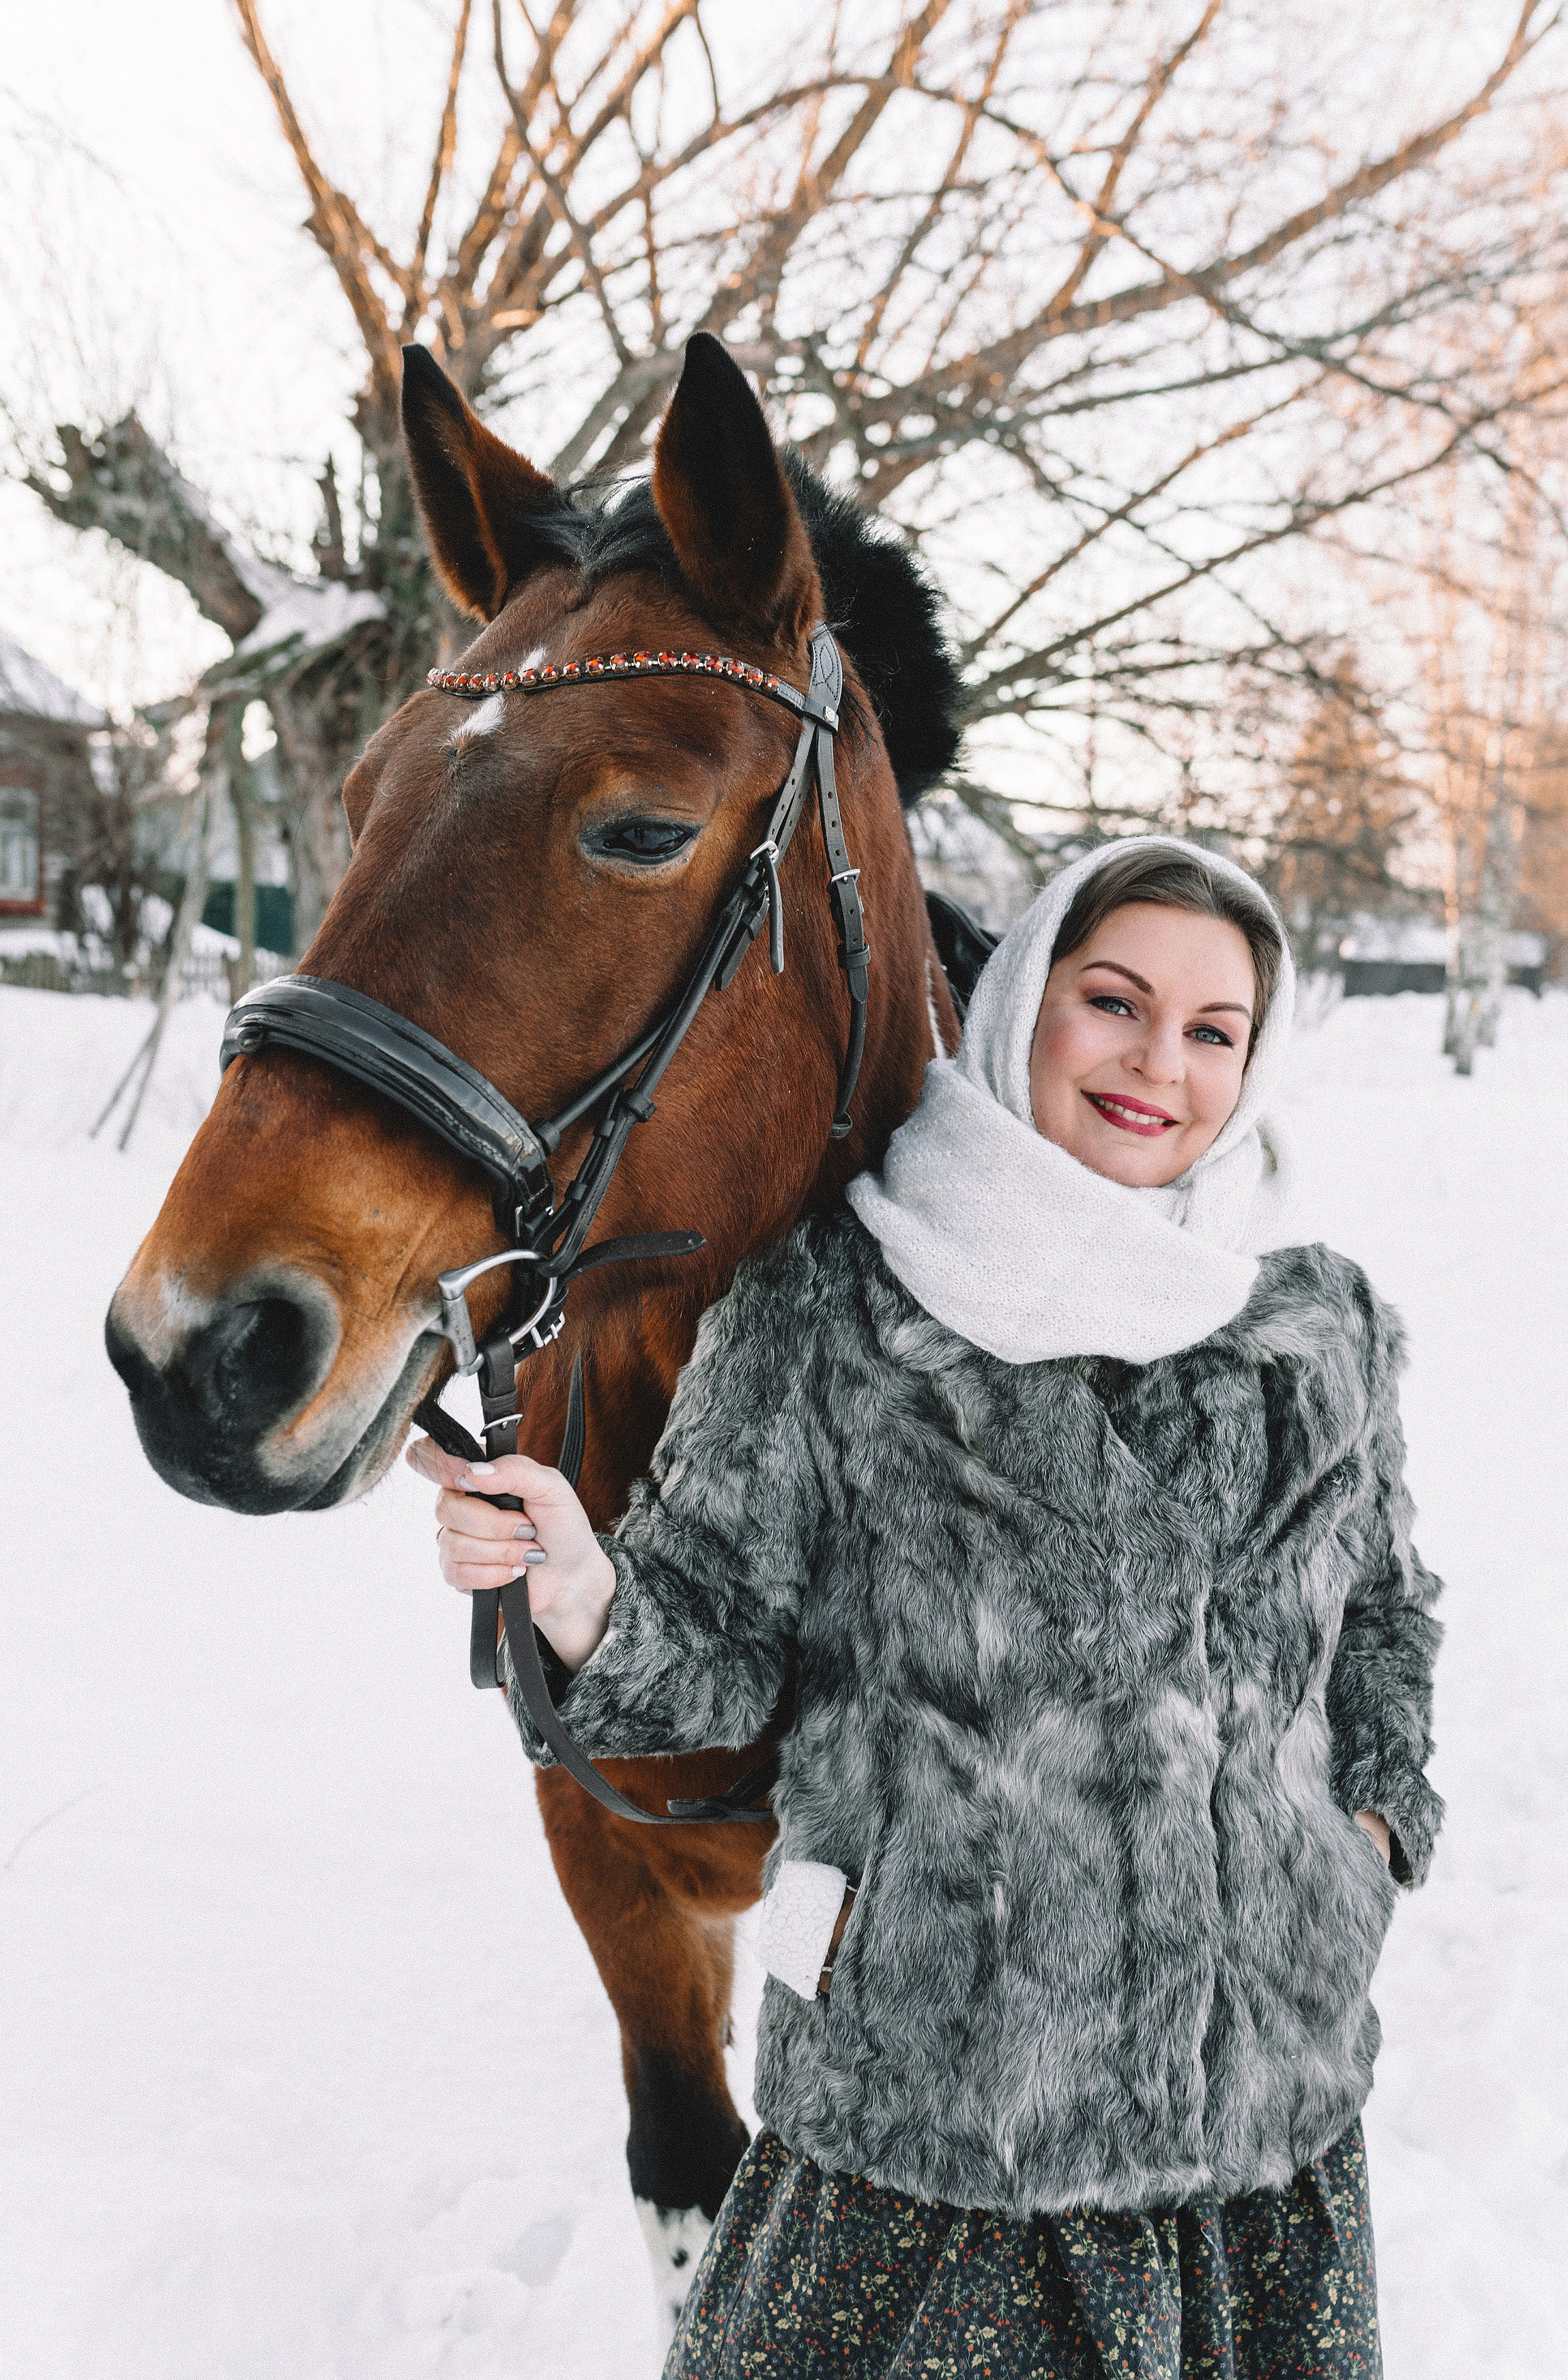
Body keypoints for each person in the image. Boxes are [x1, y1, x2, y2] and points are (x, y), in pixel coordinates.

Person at [410, 836, 1443, 2378]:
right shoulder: (834, 1303)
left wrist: (1360, 1842)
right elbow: (706, 1655)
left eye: (1212, 1030)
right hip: (928, 2151)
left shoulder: (1313, 1325)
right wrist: (576, 1583)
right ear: (1022, 997)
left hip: (1257, 2138)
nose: (1157, 1062)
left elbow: (1381, 1617)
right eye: (1113, 1002)